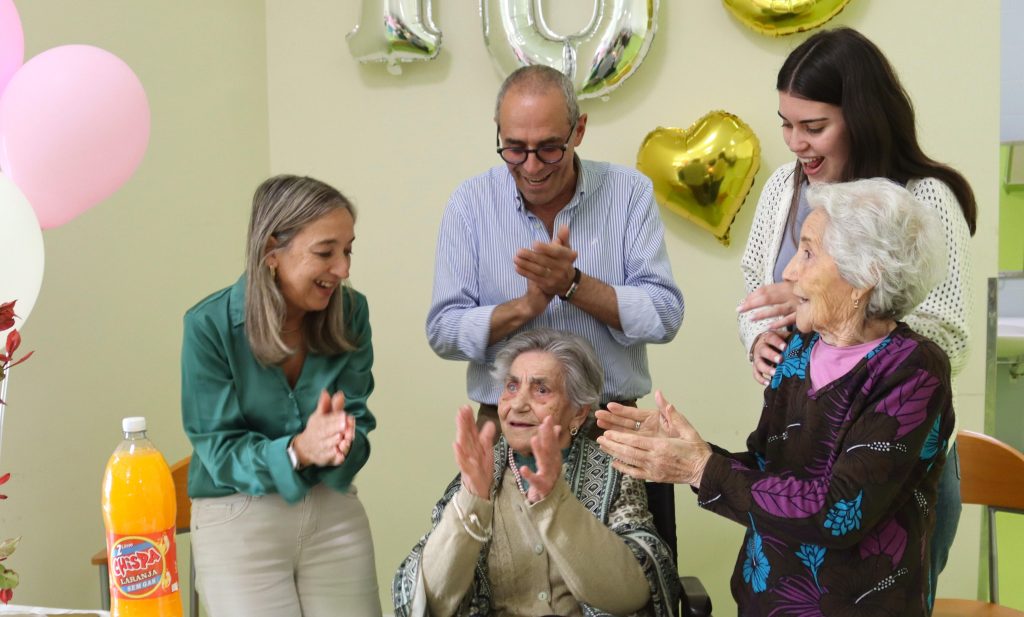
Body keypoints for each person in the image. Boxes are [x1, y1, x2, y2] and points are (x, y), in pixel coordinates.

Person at [598, 179, 954, 616]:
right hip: (764, 597)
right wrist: (689, 455)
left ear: (864, 276)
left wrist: (701, 468)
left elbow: (839, 509)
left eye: (807, 252)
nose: (789, 272)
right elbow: (770, 474)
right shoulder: (798, 349)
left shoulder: (913, 369)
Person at [735, 27, 976, 601]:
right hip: (799, 452)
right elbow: (756, 286)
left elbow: (947, 339)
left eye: (814, 127)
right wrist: (757, 337)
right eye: (786, 124)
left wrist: (818, 309)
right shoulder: (783, 188)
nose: (796, 142)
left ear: (862, 117)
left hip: (892, 470)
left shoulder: (925, 197)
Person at [425, 64, 684, 556]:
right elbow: (442, 330)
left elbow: (665, 314)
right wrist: (525, 306)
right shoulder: (470, 204)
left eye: (548, 147)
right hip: (505, 431)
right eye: (513, 148)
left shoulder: (628, 195)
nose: (531, 165)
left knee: (627, 579)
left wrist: (574, 286)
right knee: (502, 583)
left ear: (578, 130)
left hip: (611, 428)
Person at [181, 175, 381, 616]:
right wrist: (297, 451)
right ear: (272, 250)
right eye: (326, 252)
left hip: (331, 507)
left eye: (347, 250)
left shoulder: (351, 313)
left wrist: (341, 442)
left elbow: (359, 422)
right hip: (238, 516)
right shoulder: (209, 327)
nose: (343, 269)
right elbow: (219, 447)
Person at [394, 329, 679, 617]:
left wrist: (556, 502)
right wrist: (472, 501)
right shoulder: (480, 473)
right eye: (512, 387)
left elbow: (632, 593)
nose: (517, 404)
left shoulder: (615, 472)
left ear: (579, 412)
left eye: (541, 390)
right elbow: (431, 602)